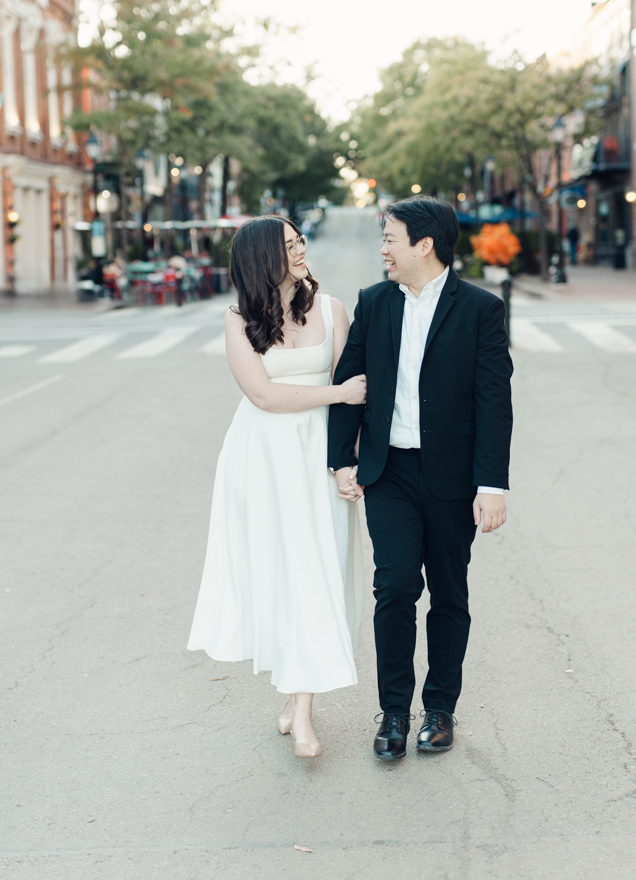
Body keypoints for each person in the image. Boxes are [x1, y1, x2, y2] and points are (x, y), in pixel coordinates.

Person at [328, 197, 513, 761]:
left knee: (450, 593)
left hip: (453, 478)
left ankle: (440, 710)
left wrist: (493, 484)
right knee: (395, 589)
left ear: (423, 244)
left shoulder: (480, 308)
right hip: (391, 473)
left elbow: (493, 400)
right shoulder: (375, 302)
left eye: (390, 238)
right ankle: (392, 713)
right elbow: (348, 383)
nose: (382, 249)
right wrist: (342, 459)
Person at [188, 216, 366, 758]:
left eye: (300, 240)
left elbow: (353, 387)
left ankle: (300, 703)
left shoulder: (332, 309)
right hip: (263, 458)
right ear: (263, 257)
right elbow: (263, 396)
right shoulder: (239, 318)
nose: (300, 249)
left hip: (319, 458)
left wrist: (345, 460)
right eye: (288, 245)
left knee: (319, 569)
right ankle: (302, 709)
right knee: (286, 572)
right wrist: (337, 396)